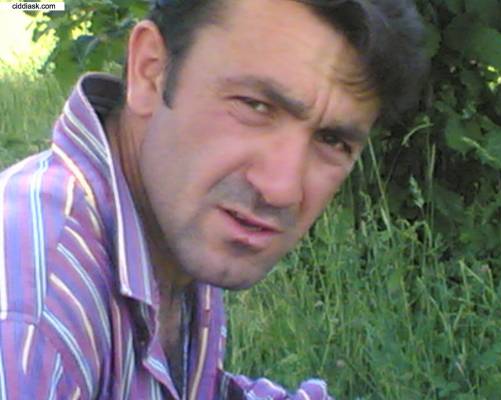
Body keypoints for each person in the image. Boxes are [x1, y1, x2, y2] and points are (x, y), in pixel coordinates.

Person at [0, 0, 427, 398]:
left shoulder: (171, 221)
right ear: (150, 71)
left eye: (332, 140)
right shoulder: (33, 316)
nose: (281, 188)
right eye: (255, 106)